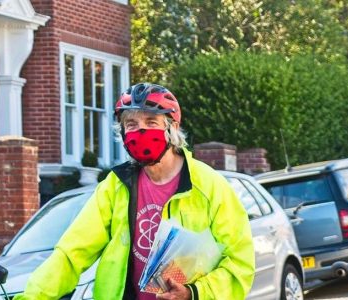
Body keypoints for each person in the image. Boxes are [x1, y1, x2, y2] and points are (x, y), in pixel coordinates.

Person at [14, 83, 255, 300]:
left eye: (151, 122)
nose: (140, 131)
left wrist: (194, 293)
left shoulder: (208, 185)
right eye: (132, 124)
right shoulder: (116, 185)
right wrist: (31, 297)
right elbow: (71, 253)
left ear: (172, 127)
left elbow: (240, 262)